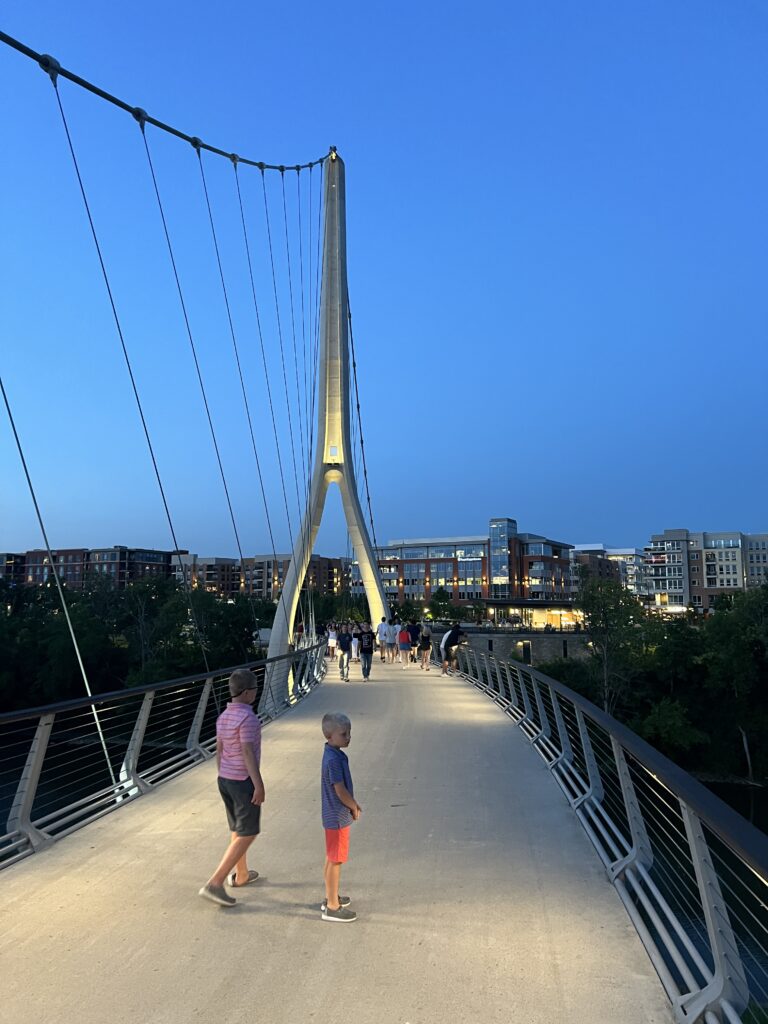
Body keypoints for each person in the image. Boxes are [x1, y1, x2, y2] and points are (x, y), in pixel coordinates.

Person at [199, 669, 265, 907]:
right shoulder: (248, 719)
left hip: (225, 779)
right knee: (248, 832)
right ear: (248, 693)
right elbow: (247, 751)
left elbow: (220, 748)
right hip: (242, 781)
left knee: (238, 828)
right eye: (256, 689)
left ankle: (242, 874)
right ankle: (215, 883)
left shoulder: (224, 716)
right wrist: (258, 784)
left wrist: (222, 773)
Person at [320, 712, 361, 922]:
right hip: (337, 816)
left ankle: (330, 896)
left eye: (349, 733)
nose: (348, 737)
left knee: (331, 858)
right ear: (329, 736)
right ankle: (333, 907)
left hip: (332, 815)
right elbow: (340, 790)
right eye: (344, 734)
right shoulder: (333, 760)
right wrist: (353, 806)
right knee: (336, 860)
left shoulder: (332, 754)